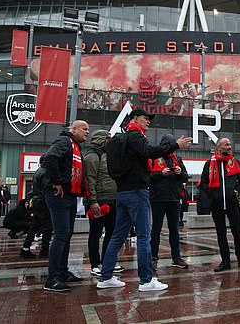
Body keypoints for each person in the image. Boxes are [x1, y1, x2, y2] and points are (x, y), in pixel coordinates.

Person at [96, 109, 192, 292]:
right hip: (137, 191)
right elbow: (151, 152)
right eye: (145, 118)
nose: (148, 122)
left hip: (122, 192)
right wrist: (176, 145)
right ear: (134, 119)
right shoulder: (135, 136)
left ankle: (106, 276)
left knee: (117, 235)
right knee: (143, 236)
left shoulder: (120, 138)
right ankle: (147, 280)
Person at [42, 120, 90, 292]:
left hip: (70, 194)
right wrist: (56, 182)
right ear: (74, 129)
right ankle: (52, 279)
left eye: (88, 130)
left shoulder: (76, 146)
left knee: (67, 234)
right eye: (84, 129)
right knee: (62, 234)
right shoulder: (64, 141)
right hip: (58, 194)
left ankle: (62, 272)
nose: (87, 132)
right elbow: (49, 158)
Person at [200, 137, 240, 272]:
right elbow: (203, 183)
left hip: (232, 203)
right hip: (217, 204)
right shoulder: (210, 164)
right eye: (226, 145)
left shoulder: (235, 163)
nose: (229, 147)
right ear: (219, 148)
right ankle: (225, 261)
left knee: (237, 232)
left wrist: (236, 191)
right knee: (221, 234)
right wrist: (212, 194)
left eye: (230, 144)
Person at [83, 130, 124, 277]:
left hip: (112, 200)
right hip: (98, 202)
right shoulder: (92, 157)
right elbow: (90, 181)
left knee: (111, 232)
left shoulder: (106, 155)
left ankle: (108, 261)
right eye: (108, 138)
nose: (110, 141)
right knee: (95, 233)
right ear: (101, 140)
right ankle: (95, 264)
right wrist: (93, 201)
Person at [149, 134, 190, 271]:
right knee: (156, 229)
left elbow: (185, 177)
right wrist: (161, 173)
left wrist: (179, 172)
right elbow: (147, 177)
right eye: (167, 145)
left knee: (174, 230)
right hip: (158, 199)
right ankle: (153, 258)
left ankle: (176, 257)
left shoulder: (177, 159)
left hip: (174, 199)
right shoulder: (154, 158)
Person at [21, 159, 52, 258]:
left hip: (37, 201)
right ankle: (44, 251)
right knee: (47, 227)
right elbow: (46, 188)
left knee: (34, 226)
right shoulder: (46, 172)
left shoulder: (38, 171)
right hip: (43, 202)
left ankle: (25, 248)